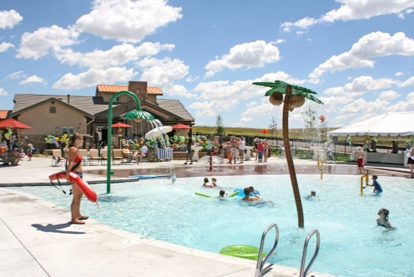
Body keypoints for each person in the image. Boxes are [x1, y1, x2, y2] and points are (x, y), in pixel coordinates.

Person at [65, 133, 88, 224]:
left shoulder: (75, 149)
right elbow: (70, 163)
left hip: (78, 174)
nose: (82, 141)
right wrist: (67, 175)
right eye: (81, 139)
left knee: (79, 196)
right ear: (76, 140)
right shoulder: (73, 149)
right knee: (76, 197)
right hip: (76, 175)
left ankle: (78, 214)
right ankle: (73, 218)